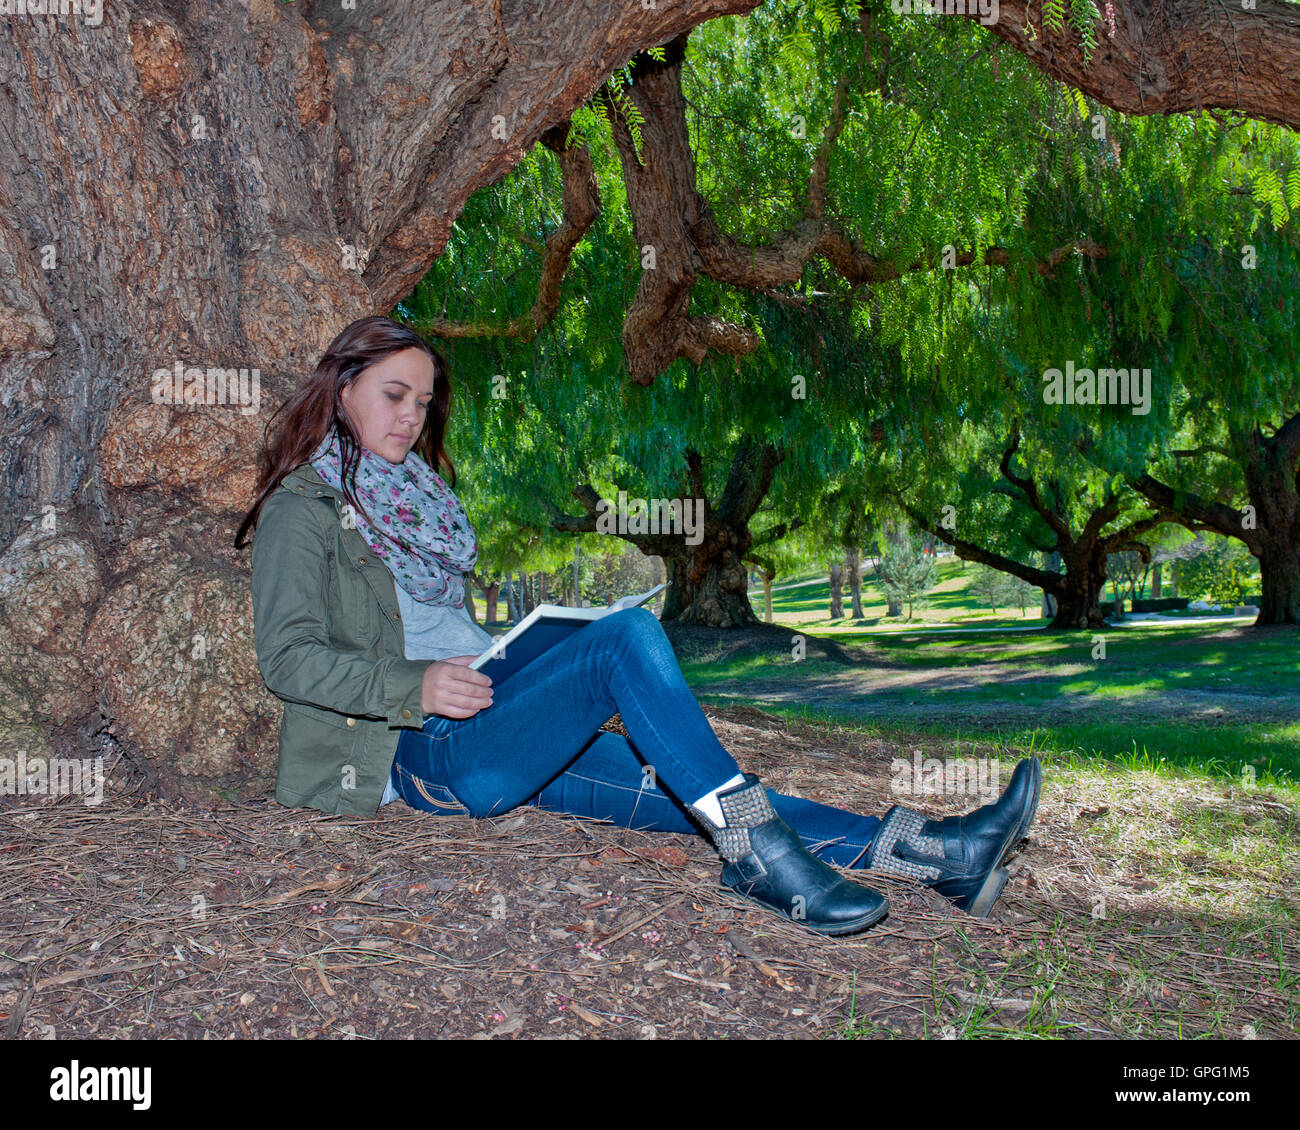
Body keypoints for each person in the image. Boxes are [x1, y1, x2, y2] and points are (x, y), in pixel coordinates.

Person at [235, 315, 1041, 936]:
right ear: (342, 388)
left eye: (423, 400)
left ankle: (944, 854)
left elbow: (445, 627)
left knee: (700, 790)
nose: (412, 416)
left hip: (495, 718)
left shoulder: (421, 500)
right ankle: (759, 862)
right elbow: (290, 659)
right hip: (418, 751)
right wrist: (412, 684)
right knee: (628, 639)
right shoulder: (303, 510)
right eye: (393, 395)